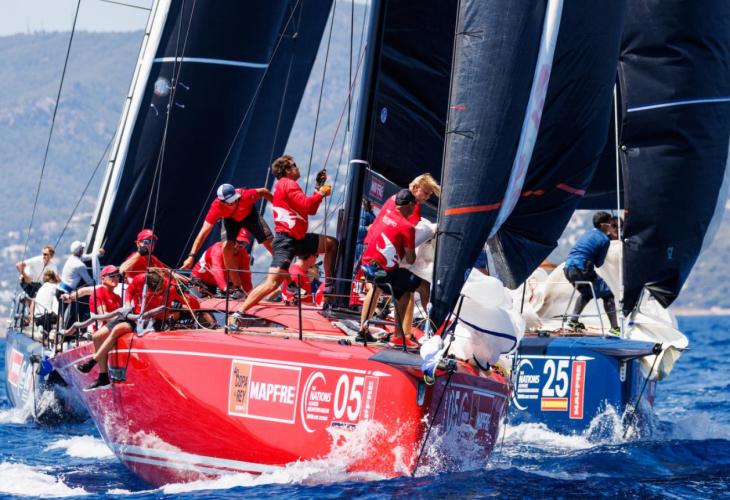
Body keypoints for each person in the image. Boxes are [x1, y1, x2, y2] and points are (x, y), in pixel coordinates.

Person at [235, 155, 336, 317]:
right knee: (272, 284)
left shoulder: (286, 185)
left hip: (298, 238)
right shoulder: (288, 184)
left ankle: (329, 285)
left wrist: (318, 188)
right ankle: (239, 313)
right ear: (287, 170)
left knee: (331, 244)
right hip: (286, 241)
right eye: (294, 165)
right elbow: (308, 206)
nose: (297, 167)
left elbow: (310, 209)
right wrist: (321, 193)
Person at [76, 270, 201, 389]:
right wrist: (127, 304)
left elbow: (195, 305)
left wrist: (182, 303)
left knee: (117, 329)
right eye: (154, 291)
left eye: (159, 291)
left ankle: (92, 362)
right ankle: (103, 376)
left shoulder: (170, 288)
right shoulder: (139, 279)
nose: (157, 293)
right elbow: (129, 291)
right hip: (134, 315)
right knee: (97, 336)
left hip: (152, 320)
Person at [359, 189, 429, 343]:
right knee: (424, 286)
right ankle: (432, 329)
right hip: (384, 273)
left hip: (368, 265)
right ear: (410, 205)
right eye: (414, 205)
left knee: (402, 291)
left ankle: (363, 330)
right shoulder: (407, 227)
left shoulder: (384, 216)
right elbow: (410, 259)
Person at [181, 183, 273, 291]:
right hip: (230, 220)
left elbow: (264, 191)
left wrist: (281, 207)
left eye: (243, 243)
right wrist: (191, 256)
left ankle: (288, 283)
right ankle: (237, 288)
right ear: (222, 202)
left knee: (271, 244)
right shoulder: (216, 207)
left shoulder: (245, 195)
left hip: (250, 215)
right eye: (230, 202)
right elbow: (203, 233)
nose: (234, 202)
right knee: (227, 248)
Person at [564, 211, 619, 334]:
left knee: (587, 293)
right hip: (581, 269)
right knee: (608, 296)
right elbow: (599, 263)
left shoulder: (587, 234)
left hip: (567, 269)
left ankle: (573, 320)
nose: (611, 227)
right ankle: (615, 329)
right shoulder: (604, 239)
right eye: (610, 224)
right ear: (603, 225)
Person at [364, 173, 440, 247]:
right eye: (426, 193)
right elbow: (409, 237)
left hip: (369, 242)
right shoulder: (413, 206)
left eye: (429, 195)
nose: (428, 197)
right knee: (433, 228)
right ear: (415, 188)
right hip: (382, 248)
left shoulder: (396, 196)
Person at [192, 228, 252, 295]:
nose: (240, 246)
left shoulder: (244, 255)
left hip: (216, 285)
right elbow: (217, 269)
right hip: (200, 281)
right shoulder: (217, 249)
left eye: (244, 243)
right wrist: (224, 287)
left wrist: (250, 294)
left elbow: (246, 277)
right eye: (239, 242)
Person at [62, 265, 122, 331]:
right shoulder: (99, 291)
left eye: (118, 275)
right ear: (103, 278)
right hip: (101, 330)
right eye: (112, 275)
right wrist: (69, 297)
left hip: (114, 328)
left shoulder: (118, 295)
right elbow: (83, 291)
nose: (116, 278)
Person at [31, 269, 60, 334]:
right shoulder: (55, 287)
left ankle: (41, 328)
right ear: (53, 279)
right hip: (46, 318)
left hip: (37, 318)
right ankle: (57, 331)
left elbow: (33, 302)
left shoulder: (41, 288)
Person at [355, 199, 375, 263]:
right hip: (360, 247)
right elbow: (358, 231)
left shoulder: (372, 214)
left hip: (369, 247)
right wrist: (367, 228)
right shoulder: (362, 212)